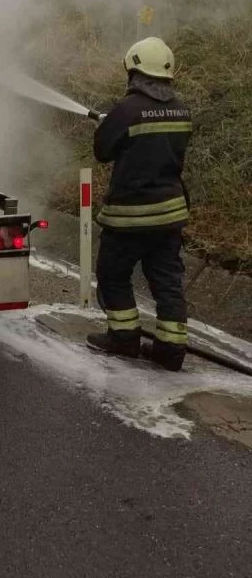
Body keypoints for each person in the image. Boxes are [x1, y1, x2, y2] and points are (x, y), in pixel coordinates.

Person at [86, 37, 192, 371]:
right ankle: (171, 350)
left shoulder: (127, 109)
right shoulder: (182, 109)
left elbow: (103, 151)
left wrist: (108, 125)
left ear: (134, 70)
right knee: (167, 281)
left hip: (130, 216)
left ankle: (124, 338)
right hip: (169, 215)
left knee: (113, 275)